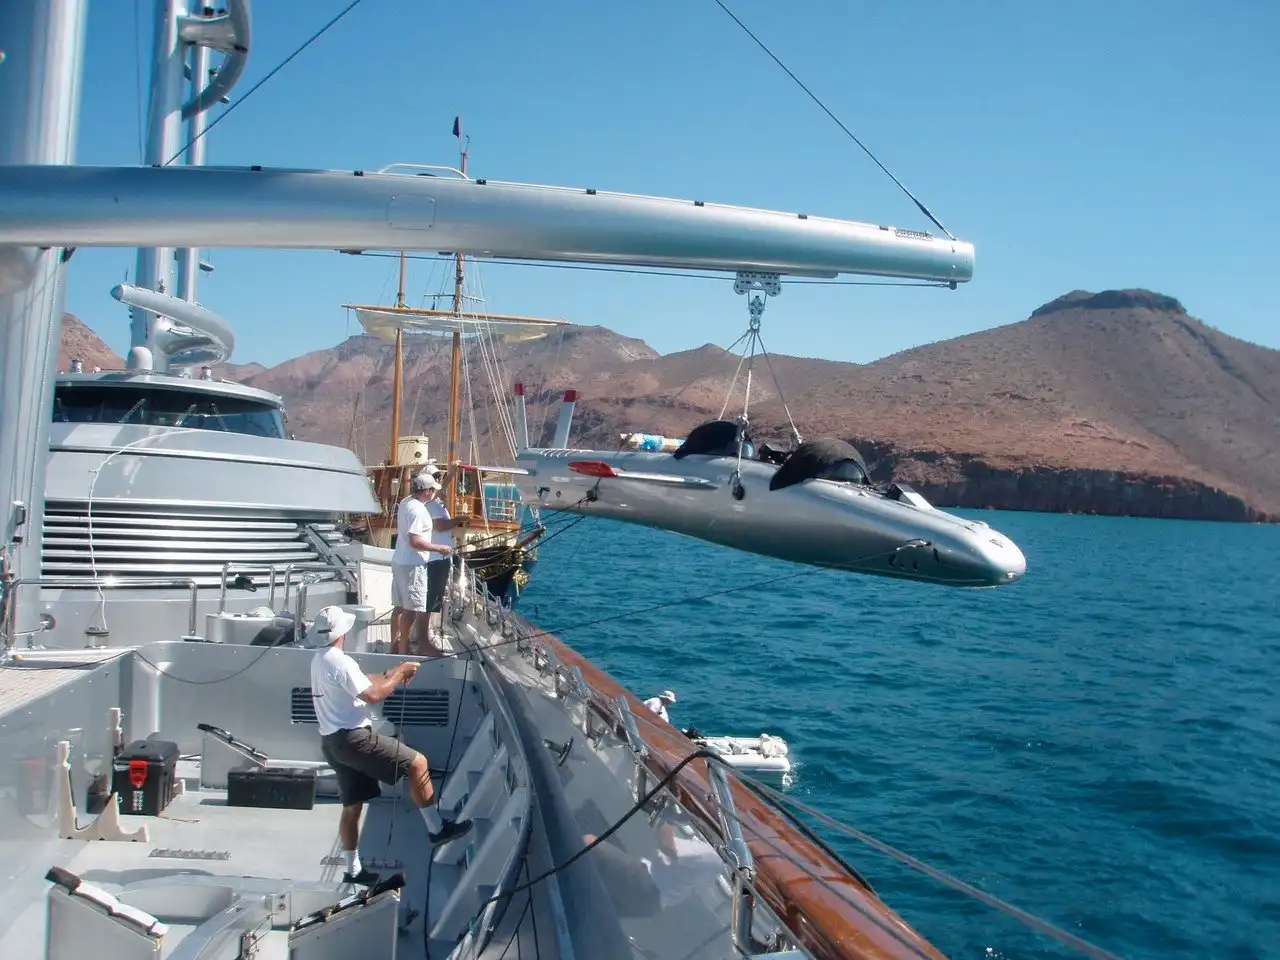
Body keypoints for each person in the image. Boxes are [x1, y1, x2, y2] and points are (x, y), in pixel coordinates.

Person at [308, 605, 473, 886]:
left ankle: (353, 870)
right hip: (354, 739)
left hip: (332, 743)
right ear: (343, 632)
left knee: (352, 807)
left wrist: (393, 671)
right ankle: (437, 829)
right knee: (418, 763)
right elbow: (373, 695)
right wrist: (399, 675)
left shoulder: (320, 660)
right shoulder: (341, 662)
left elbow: (364, 684)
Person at [390, 471, 456, 656]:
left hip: (400, 561)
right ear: (427, 491)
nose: (434, 493)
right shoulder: (419, 511)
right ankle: (405, 652)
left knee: (400, 607)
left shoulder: (406, 502)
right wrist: (439, 548)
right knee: (410, 611)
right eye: (433, 490)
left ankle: (397, 648)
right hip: (413, 565)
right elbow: (415, 541)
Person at [422, 467, 463, 651]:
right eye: (436, 478)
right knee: (431, 598)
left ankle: (425, 632)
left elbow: (443, 488)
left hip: (441, 556)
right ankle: (423, 637)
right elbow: (439, 526)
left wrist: (451, 475)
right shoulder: (431, 504)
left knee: (434, 596)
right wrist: (459, 519)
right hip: (436, 558)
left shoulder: (435, 501)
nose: (439, 481)